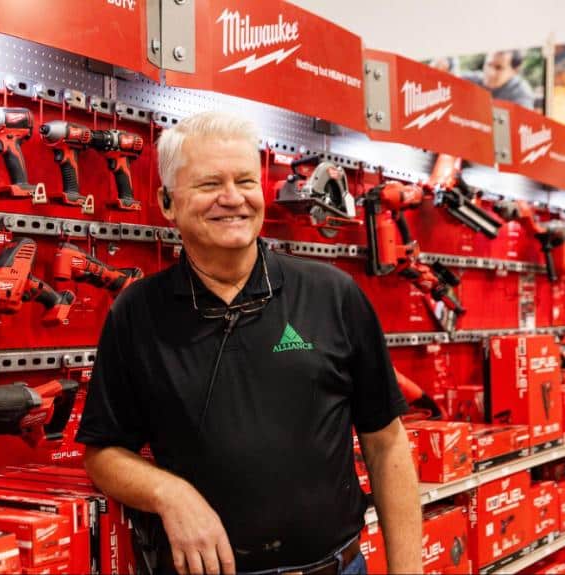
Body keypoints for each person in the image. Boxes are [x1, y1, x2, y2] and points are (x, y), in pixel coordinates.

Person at [76, 111, 422, 575]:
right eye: (208, 184)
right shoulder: (137, 314)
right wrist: (169, 493)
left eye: (245, 180)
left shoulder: (332, 294)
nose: (232, 199)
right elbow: (103, 454)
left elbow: (386, 443)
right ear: (166, 201)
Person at [465, 50, 535, 110]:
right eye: (489, 65)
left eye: (498, 68)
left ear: (515, 71)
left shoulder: (521, 94)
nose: (491, 73)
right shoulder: (470, 80)